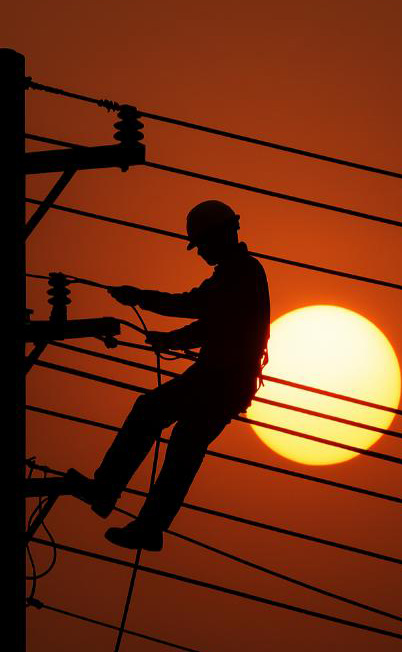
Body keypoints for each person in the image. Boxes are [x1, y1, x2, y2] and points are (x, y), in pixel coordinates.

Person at [67, 200, 271, 551]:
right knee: (183, 445)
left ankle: (107, 492)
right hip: (225, 379)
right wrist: (171, 339)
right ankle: (146, 524)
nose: (201, 252)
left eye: (203, 244)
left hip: (221, 378)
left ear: (222, 236)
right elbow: (212, 325)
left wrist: (140, 299)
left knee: (150, 412)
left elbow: (194, 306)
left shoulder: (242, 272)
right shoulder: (235, 275)